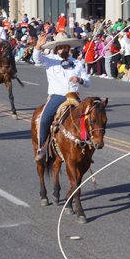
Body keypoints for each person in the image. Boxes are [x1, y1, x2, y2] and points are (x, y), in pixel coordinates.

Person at [33, 32, 90, 162]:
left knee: (87, 118)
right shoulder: (49, 60)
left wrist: (79, 80)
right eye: (59, 47)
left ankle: (86, 147)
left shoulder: (77, 63)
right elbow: (36, 59)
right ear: (56, 49)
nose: (62, 50)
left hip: (74, 97)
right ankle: (42, 149)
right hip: (57, 96)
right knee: (44, 120)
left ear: (69, 48)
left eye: (65, 47)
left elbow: (88, 82)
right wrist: (38, 46)